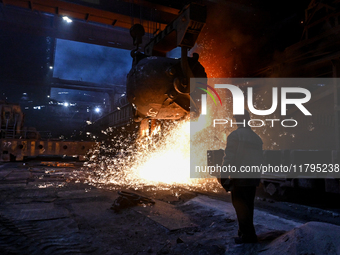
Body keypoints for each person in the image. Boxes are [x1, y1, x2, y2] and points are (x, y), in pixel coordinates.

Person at [219, 110, 263, 244]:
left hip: (240, 178)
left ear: (238, 120)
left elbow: (229, 157)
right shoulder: (257, 138)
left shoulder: (235, 135)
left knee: (240, 206)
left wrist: (223, 175)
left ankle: (248, 237)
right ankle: (245, 233)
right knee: (249, 207)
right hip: (253, 178)